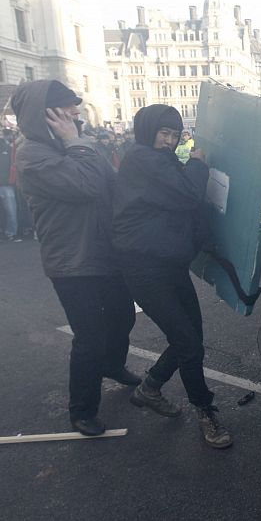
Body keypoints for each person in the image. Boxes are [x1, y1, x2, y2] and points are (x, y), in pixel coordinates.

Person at [11, 80, 138, 436]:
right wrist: (75, 143)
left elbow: (111, 183)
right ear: (45, 113)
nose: (75, 113)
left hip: (104, 251)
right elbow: (85, 185)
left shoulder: (77, 144)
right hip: (72, 260)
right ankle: (82, 409)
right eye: (67, 107)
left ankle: (112, 365)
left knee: (122, 316)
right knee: (90, 336)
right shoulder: (32, 154)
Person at [112, 104, 232, 449]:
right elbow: (188, 193)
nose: (168, 140)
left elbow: (188, 206)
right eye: (163, 133)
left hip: (169, 266)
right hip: (144, 269)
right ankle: (204, 410)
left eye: (175, 135)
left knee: (191, 339)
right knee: (188, 343)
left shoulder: (162, 162)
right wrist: (197, 163)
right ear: (147, 131)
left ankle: (149, 388)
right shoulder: (142, 159)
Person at [0, 128, 20, 241]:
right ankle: (10, 232)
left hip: (7, 184)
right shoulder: (10, 148)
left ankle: (10, 232)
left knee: (11, 211)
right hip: (7, 184)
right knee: (11, 210)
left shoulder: (10, 148)